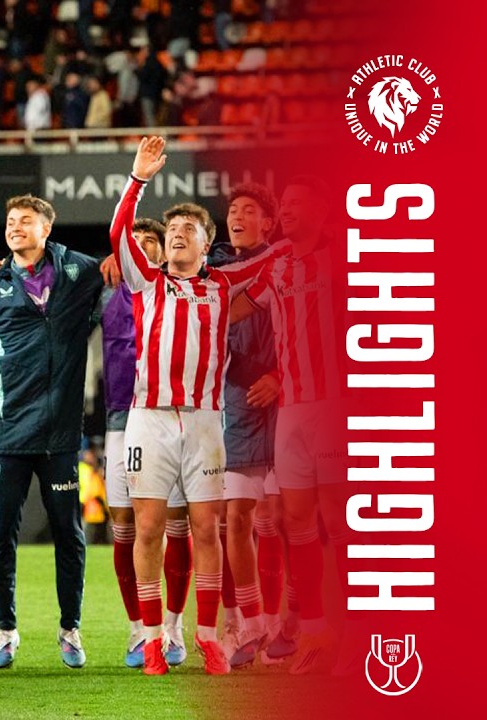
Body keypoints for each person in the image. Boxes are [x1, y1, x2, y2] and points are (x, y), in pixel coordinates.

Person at [111, 136, 273, 676]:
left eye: (189, 229)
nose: (177, 233)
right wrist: (138, 179)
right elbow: (118, 233)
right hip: (149, 421)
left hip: (205, 423)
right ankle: (151, 639)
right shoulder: (147, 281)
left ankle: (207, 637)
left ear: (207, 245)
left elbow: (272, 260)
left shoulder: (222, 286)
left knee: (207, 528)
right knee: (148, 529)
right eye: (172, 229)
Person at [0, 194, 104, 670]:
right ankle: (5, 630)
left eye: (26, 221)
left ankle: (70, 629)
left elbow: (117, 275)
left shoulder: (79, 271)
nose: (15, 227)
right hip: (6, 428)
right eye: (10, 221)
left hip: (60, 432)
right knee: (0, 533)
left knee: (69, 533)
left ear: (47, 228)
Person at [229, 175, 346, 675]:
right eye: (286, 203)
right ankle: (315, 632)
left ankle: (353, 631)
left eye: (299, 202)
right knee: (295, 520)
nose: (289, 210)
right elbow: (238, 307)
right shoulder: (277, 265)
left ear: (322, 210)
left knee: (337, 522)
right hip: (293, 410)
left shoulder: (345, 257)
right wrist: (195, 313)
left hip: (335, 406)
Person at [102, 218, 195, 669]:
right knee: (124, 524)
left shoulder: (181, 285)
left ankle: (173, 625)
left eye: (149, 241)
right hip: (120, 416)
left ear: (162, 250)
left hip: (169, 414)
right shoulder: (104, 290)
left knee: (175, 522)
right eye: (133, 241)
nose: (140, 246)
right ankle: (138, 628)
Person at [211, 183, 282, 668]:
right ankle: (244, 622)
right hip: (235, 399)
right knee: (233, 517)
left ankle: (278, 625)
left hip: (282, 398)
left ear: (267, 223)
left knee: (277, 519)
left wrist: (278, 376)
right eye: (233, 209)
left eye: (248, 209)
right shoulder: (215, 270)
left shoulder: (284, 264)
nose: (237, 216)